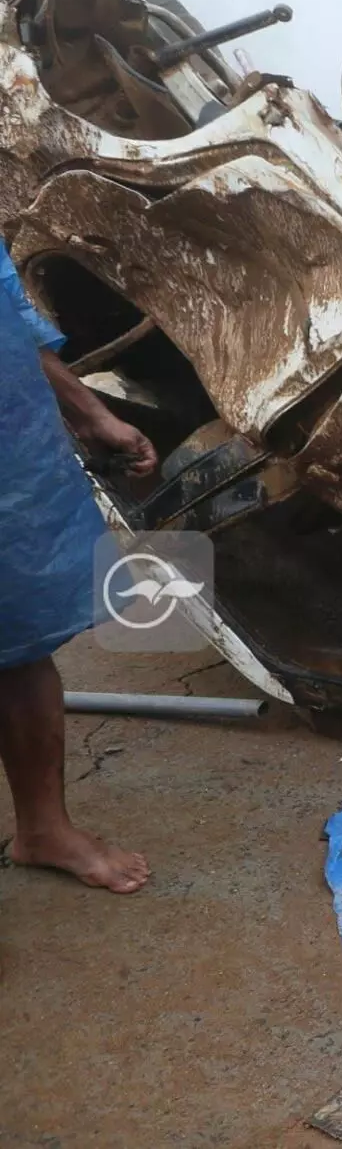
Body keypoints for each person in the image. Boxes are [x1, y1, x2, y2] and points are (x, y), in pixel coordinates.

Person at [1, 240, 157, 892]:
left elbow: (11, 318)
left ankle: (43, 828)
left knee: (19, 645)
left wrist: (91, 415)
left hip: (11, 460)